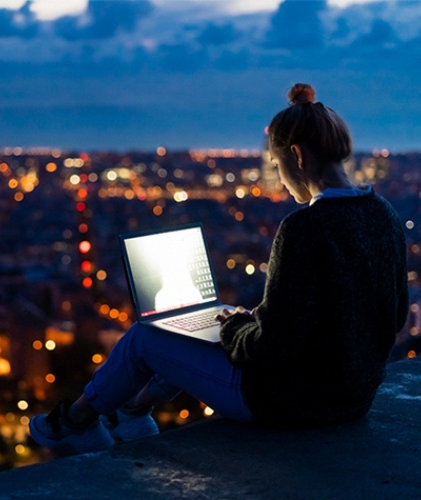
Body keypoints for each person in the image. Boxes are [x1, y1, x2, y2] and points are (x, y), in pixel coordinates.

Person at [29, 83, 409, 454]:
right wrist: (254, 321)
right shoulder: (383, 214)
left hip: (291, 402)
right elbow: (393, 316)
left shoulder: (304, 229)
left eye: (276, 166)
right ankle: (132, 413)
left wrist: (234, 330)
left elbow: (269, 348)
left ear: (296, 156)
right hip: (352, 398)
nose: (279, 179)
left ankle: (76, 422)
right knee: (196, 334)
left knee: (147, 337)